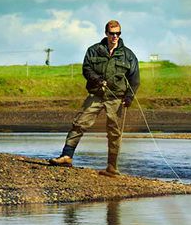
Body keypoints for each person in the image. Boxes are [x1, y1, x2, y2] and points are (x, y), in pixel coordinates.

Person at [49, 20, 140, 177]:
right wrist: (97, 79)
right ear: (106, 33)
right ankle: (66, 156)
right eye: (112, 33)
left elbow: (134, 78)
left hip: (116, 98)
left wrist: (130, 97)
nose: (115, 36)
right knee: (79, 124)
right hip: (96, 95)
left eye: (118, 33)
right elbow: (86, 69)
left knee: (114, 132)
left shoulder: (128, 55)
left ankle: (111, 168)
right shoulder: (93, 50)